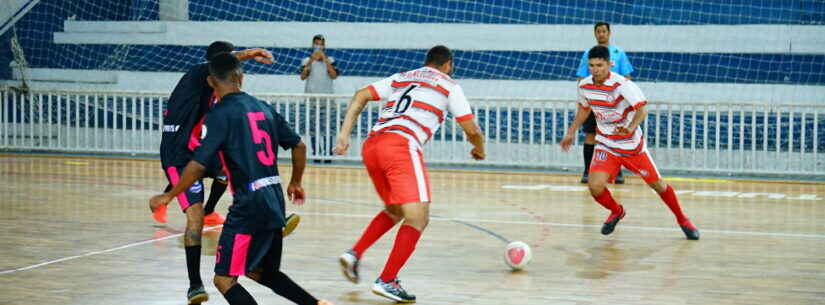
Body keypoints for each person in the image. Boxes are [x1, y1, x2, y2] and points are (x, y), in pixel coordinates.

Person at [150, 53, 334, 305]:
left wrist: (169, 195)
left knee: (224, 280)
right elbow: (299, 145)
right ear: (241, 77)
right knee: (261, 272)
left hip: (248, 205)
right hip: (274, 200)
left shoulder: (219, 114)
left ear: (212, 83)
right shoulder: (263, 107)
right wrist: (295, 182)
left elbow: (197, 164)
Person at [334, 45, 485, 303]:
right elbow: (471, 129)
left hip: (372, 146)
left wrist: (343, 135)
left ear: (426, 62)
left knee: (395, 209)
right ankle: (387, 280)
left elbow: (361, 94)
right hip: (401, 145)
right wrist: (479, 148)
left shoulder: (403, 76)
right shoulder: (449, 85)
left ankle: (354, 254)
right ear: (448, 64)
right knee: (418, 217)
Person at [561, 45, 700, 241]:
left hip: (631, 146)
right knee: (595, 186)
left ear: (609, 64)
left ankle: (682, 219)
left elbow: (642, 109)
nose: (595, 70)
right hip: (606, 143)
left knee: (658, 186)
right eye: (591, 66)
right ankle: (617, 211)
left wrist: (631, 127)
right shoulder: (584, 86)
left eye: (600, 65)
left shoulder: (622, 85)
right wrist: (570, 132)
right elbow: (585, 109)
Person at [575, 21, 634, 184]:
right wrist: (581, 101)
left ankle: (617, 172)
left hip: (614, 105)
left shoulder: (619, 53)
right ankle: (587, 171)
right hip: (595, 103)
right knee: (591, 135)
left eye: (604, 31)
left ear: (609, 33)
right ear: (595, 34)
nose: (601, 34)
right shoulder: (588, 53)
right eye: (598, 31)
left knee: (616, 136)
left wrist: (627, 101)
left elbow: (627, 78)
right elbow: (581, 78)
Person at [299, 34, 341, 161]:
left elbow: (334, 76)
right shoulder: (306, 60)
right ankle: (316, 152)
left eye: (320, 44)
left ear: (324, 46)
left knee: (327, 127)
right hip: (311, 100)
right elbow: (302, 77)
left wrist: (325, 60)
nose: (318, 46)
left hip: (327, 100)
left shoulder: (331, 59)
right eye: (316, 44)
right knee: (313, 128)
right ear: (312, 45)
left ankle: (328, 153)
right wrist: (311, 61)